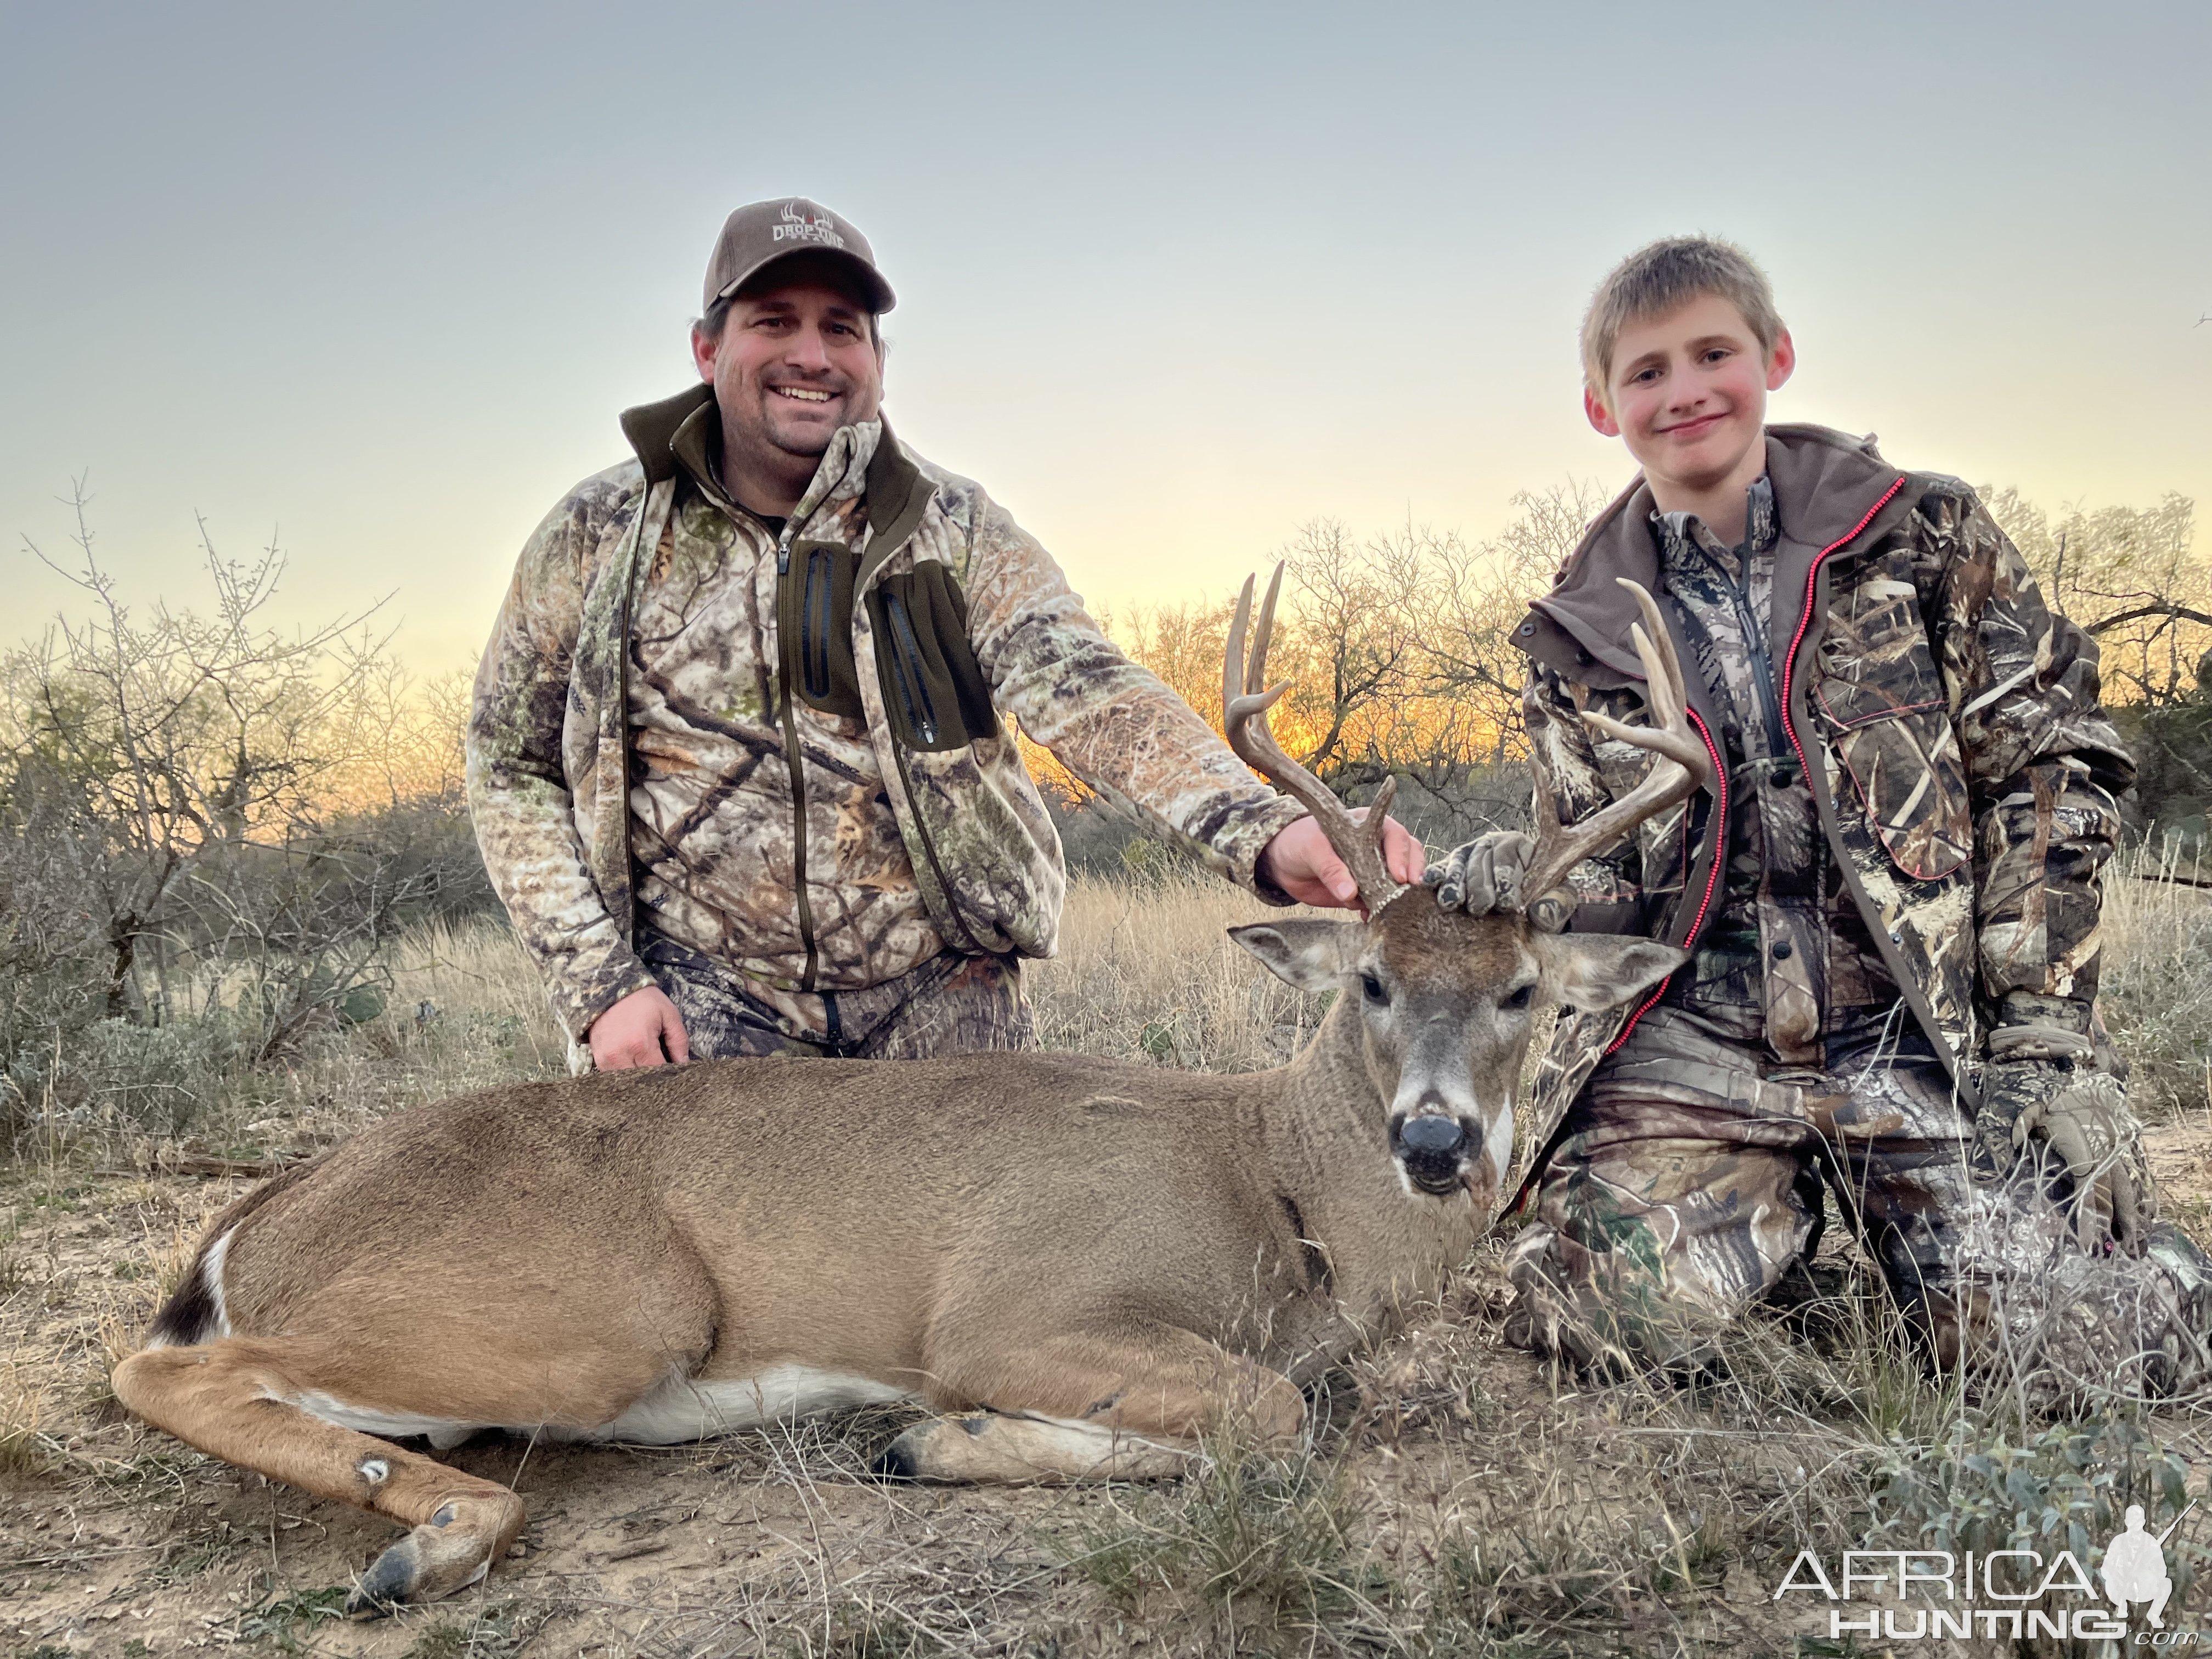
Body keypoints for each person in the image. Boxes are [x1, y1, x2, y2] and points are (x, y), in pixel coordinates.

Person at [1427, 235, 2211, 1405]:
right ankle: (1778, 1243)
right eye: (1646, 373)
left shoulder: (1924, 536)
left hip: (1911, 1029)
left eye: (1713, 353)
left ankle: (2104, 1268)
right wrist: (1517, 875)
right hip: (1698, 1044)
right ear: (1603, 408)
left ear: (1775, 357)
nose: (1684, 391)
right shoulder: (1574, 630)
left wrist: (2046, 1034)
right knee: (1595, 1315)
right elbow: (1604, 876)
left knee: (2070, 1361)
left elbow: (2051, 768)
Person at [469, 198, 1418, 1072]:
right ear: (706, 348)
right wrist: (601, 986)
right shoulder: (599, 535)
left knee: (1017, 1251)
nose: (813, 355)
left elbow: (1088, 688)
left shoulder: (954, 528)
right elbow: (509, 763)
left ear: (878, 360)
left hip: (939, 989)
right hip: (702, 1000)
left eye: (842, 329)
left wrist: (1267, 828)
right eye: (774, 322)